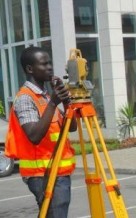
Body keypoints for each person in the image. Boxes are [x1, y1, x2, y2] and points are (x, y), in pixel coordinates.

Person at [5, 46, 77, 217]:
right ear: (30, 69)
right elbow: (34, 136)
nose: (50, 67)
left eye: (50, 63)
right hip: (42, 174)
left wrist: (65, 102)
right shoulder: (25, 98)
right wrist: (53, 103)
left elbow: (71, 127)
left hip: (57, 172)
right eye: (44, 64)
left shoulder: (45, 96)